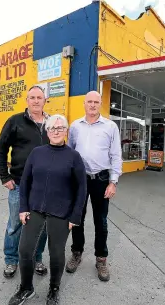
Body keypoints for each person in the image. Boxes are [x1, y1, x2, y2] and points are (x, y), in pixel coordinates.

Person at [8, 114, 87, 305]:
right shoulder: (37, 153)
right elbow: (25, 182)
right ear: (47, 131)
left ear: (66, 131)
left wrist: (75, 216)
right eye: (52, 128)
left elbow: (81, 189)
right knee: (25, 250)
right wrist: (23, 208)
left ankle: (53, 289)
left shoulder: (74, 157)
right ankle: (26, 288)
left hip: (61, 211)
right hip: (35, 208)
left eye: (60, 128)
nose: (56, 131)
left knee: (56, 253)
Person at [65, 90, 123, 282]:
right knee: (77, 218)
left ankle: (101, 258)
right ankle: (76, 253)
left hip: (101, 179)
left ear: (100, 104)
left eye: (95, 102)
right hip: (80, 179)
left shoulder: (110, 126)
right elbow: (70, 153)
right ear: (84, 104)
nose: (92, 105)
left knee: (101, 221)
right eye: (89, 102)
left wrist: (113, 182)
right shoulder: (75, 126)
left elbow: (116, 155)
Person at [0, 86, 50, 278]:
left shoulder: (51, 124)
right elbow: (1, 148)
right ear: (27, 100)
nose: (36, 101)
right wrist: (4, 176)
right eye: (32, 98)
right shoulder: (15, 121)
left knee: (42, 226)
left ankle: (37, 258)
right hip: (19, 184)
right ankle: (11, 260)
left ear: (45, 101)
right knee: (15, 224)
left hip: (45, 187)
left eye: (39, 98)